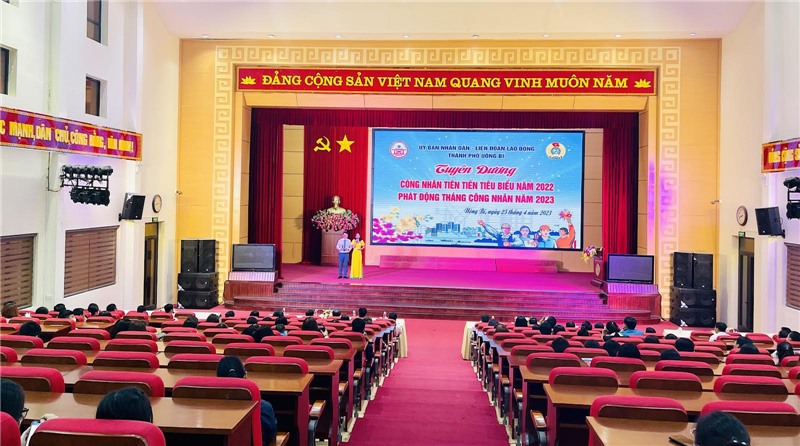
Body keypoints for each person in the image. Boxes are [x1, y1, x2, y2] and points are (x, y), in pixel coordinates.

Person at [217, 356, 277, 445]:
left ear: (217, 379)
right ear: (245, 376)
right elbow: (270, 436)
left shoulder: (210, 410)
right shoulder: (263, 408)